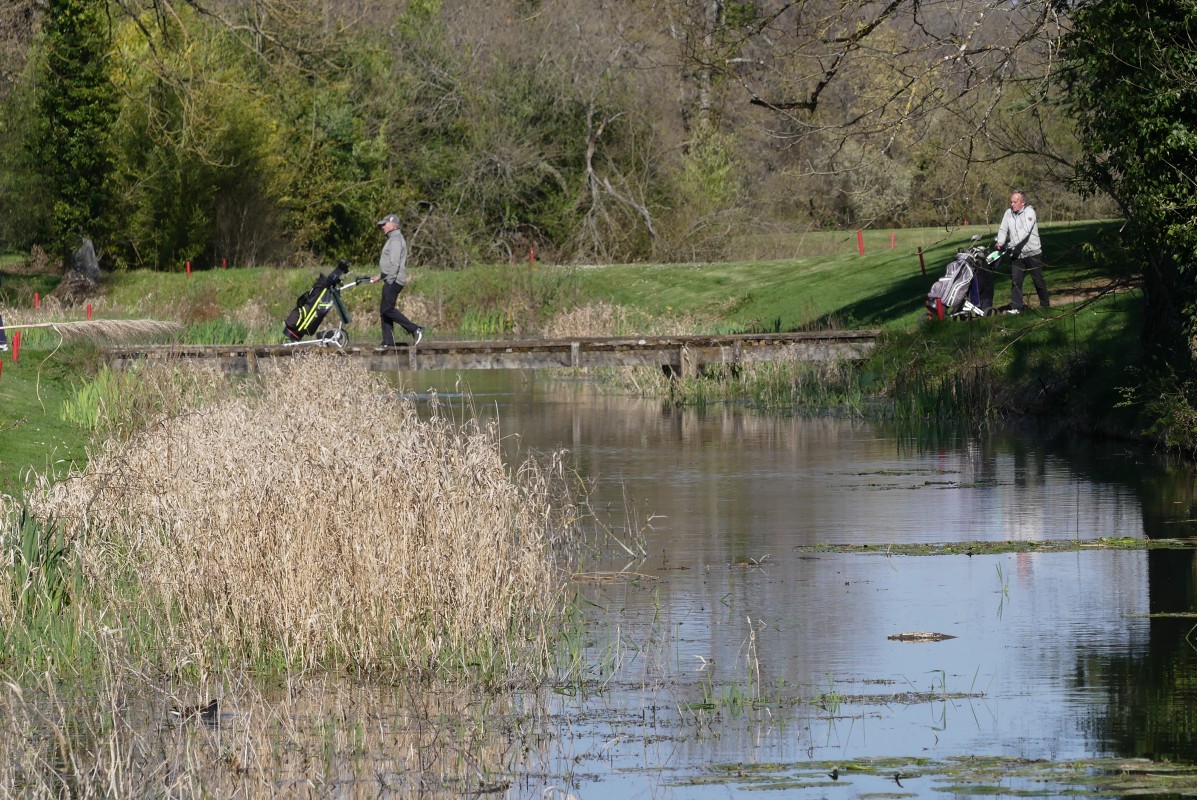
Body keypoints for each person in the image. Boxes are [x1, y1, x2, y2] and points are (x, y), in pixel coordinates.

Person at [370, 213, 423, 347]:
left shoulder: (395, 240)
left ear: (393, 225)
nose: (382, 227)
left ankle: (414, 329)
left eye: (384, 224)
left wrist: (390, 279)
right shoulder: (393, 239)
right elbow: (389, 265)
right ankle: (388, 341)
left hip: (394, 280)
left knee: (387, 309)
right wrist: (380, 276)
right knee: (384, 310)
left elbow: (395, 264)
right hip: (390, 278)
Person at [996, 189, 1049, 314]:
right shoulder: (1008, 213)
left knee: (1038, 281)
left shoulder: (1030, 212)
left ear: (1023, 202)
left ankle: (1046, 306)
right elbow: (1003, 229)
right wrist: (1000, 242)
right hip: (1017, 254)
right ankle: (1016, 308)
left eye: (1015, 202)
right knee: (1016, 282)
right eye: (1011, 202)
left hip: (1033, 253)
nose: (1012, 204)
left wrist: (1009, 244)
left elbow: (1024, 232)